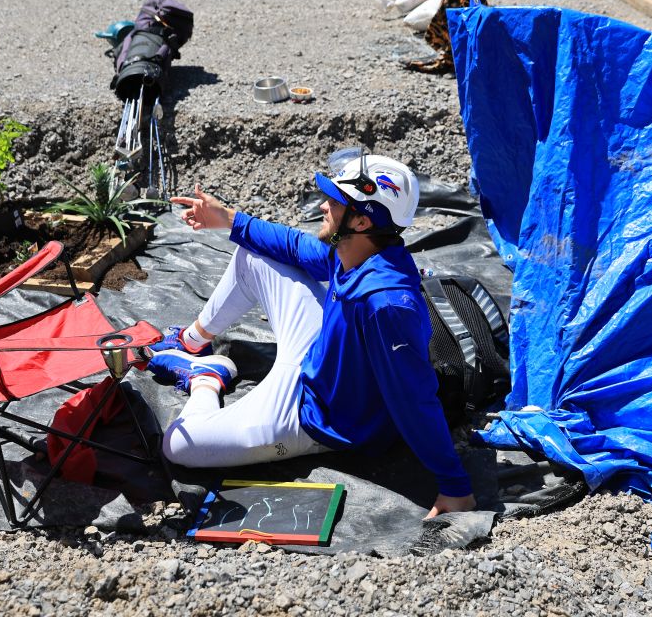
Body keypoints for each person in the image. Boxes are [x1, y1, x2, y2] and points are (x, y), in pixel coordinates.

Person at [149, 153, 476, 518]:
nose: (322, 205)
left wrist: (455, 487)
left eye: (334, 202)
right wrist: (225, 218)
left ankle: (206, 379)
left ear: (362, 220)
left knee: (178, 446)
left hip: (312, 419)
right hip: (315, 357)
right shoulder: (358, 251)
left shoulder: (385, 305)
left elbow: (414, 400)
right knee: (254, 255)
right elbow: (292, 246)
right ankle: (193, 341)